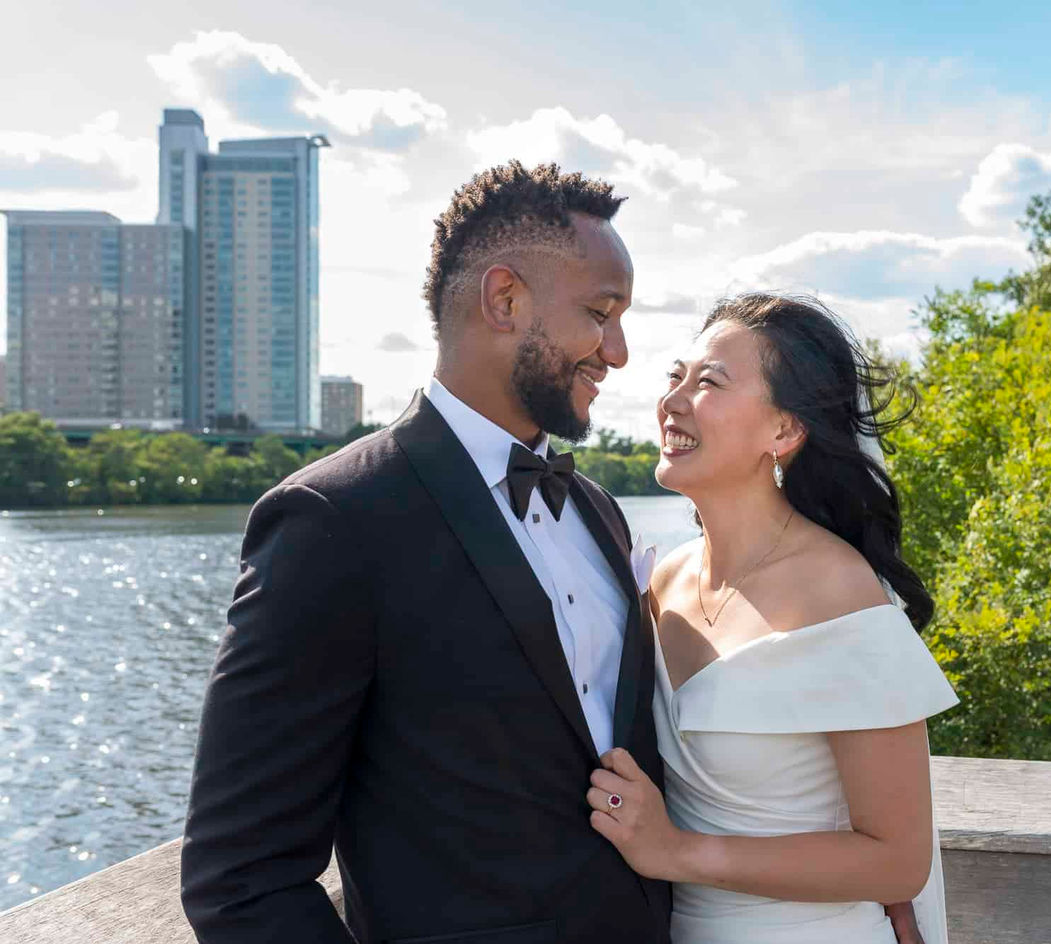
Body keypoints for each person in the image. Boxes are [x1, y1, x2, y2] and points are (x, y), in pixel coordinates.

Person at [179, 162, 672, 943]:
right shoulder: (331, 520)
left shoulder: (597, 510)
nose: (617, 351)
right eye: (600, 313)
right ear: (504, 299)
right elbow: (241, 876)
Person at [584, 293, 959, 944]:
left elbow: (899, 859)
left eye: (708, 383)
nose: (673, 399)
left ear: (784, 432)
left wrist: (676, 852)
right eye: (676, 376)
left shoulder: (839, 593)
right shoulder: (662, 583)